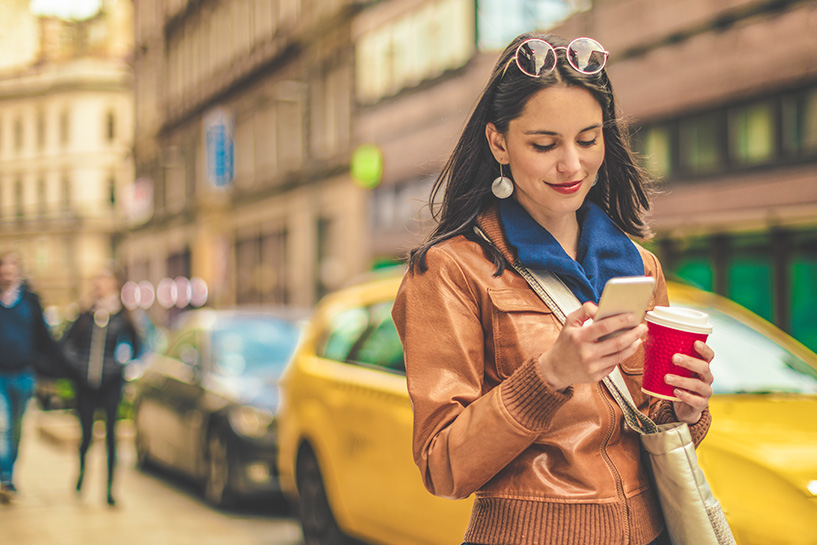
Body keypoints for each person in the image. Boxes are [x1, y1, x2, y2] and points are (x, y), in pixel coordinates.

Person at [391, 33, 715, 545]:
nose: (572, 165)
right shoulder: (449, 269)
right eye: (545, 145)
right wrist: (550, 375)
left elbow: (648, 426)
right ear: (498, 142)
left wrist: (686, 410)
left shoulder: (638, 266)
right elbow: (442, 464)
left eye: (588, 140)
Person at [61, 262, 140, 506]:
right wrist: (79, 366)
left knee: (111, 439)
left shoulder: (123, 316)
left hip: (111, 386)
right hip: (85, 386)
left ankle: (109, 490)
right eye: (97, 280)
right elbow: (66, 344)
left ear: (114, 284)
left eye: (104, 279)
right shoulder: (85, 315)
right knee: (85, 436)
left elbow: (136, 347)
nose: (99, 284)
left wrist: (119, 366)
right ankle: (82, 474)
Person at [0, 252, 71, 502]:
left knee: (17, 430)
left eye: (11, 267)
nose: (6, 272)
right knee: (2, 426)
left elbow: (44, 337)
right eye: (3, 267)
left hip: (24, 374)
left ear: (18, 271)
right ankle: (4, 477)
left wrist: (62, 367)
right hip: (0, 376)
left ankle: (9, 474)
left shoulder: (30, 300)